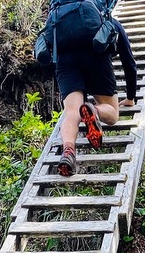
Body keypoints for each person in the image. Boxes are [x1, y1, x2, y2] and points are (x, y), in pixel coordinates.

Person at [56, 29, 120, 177]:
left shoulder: (58, 16)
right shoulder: (105, 19)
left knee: (72, 112)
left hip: (65, 59)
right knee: (113, 114)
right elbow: (128, 59)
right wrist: (130, 97)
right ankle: (94, 111)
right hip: (96, 56)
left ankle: (68, 151)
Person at [111, 17, 137, 107]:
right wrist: (130, 97)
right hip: (101, 58)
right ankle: (97, 110)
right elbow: (129, 64)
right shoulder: (114, 24)